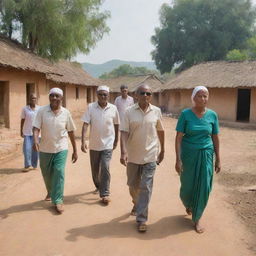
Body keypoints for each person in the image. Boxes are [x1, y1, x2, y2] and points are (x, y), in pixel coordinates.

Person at [175, 85, 221, 233]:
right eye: (200, 96)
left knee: (205, 185)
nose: (203, 98)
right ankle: (188, 203)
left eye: (205, 96)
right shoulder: (185, 114)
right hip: (189, 155)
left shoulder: (213, 115)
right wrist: (178, 159)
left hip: (207, 154)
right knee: (187, 185)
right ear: (193, 98)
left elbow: (215, 137)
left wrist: (218, 158)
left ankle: (197, 217)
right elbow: (178, 138)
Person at [120, 84, 165, 233]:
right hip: (133, 155)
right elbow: (124, 132)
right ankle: (136, 202)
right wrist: (123, 151)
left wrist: (163, 149)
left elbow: (160, 131)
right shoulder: (128, 112)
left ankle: (141, 219)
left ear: (151, 96)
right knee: (133, 186)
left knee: (145, 186)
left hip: (150, 155)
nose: (145, 96)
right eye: (142, 93)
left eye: (148, 93)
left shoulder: (156, 111)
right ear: (136, 95)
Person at [33, 87, 78, 214]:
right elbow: (36, 128)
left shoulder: (66, 113)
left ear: (61, 98)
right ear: (49, 97)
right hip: (45, 148)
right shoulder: (42, 111)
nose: (54, 98)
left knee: (58, 171)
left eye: (57, 96)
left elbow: (70, 131)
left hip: (61, 147)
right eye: (52, 95)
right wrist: (35, 140)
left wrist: (75, 150)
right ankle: (51, 191)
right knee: (46, 174)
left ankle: (58, 200)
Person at [81, 85, 120, 205]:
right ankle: (98, 185)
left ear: (108, 96)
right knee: (95, 169)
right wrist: (83, 141)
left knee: (105, 166)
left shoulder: (113, 108)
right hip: (94, 144)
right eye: (101, 94)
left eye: (105, 95)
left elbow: (117, 124)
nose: (103, 96)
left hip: (108, 144)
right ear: (97, 95)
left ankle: (105, 193)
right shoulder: (91, 107)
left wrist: (116, 140)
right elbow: (85, 124)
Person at [20, 93, 40, 172]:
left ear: (36, 99)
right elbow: (22, 120)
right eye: (32, 98)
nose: (33, 100)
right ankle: (27, 165)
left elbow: (41, 121)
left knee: (35, 149)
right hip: (27, 132)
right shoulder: (25, 109)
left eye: (35, 98)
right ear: (29, 99)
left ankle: (34, 165)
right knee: (27, 149)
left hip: (37, 133)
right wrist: (21, 131)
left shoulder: (39, 109)